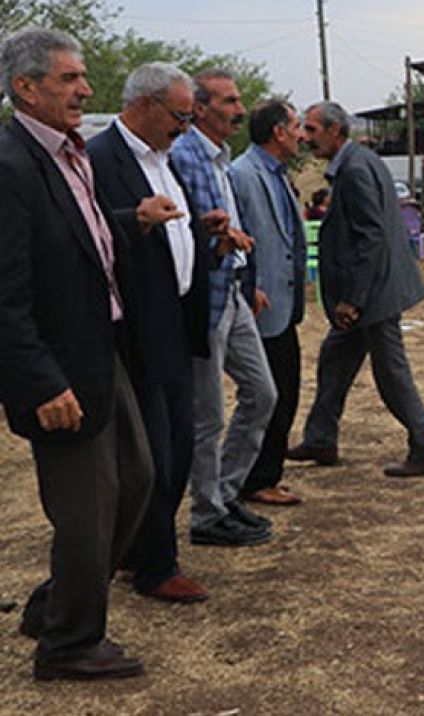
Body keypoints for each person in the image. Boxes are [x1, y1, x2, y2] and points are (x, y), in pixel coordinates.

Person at [0, 27, 154, 681]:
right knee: (86, 512)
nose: (85, 89)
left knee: (139, 478)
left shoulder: (69, 153)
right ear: (25, 88)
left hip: (99, 349)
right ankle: (68, 645)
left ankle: (56, 604)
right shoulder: (9, 166)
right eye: (68, 79)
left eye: (82, 77)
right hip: (58, 372)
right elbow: (4, 292)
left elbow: (73, 241)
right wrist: (38, 381)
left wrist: (129, 219)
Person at [88, 62, 214, 604]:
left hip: (176, 324)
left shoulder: (166, 159)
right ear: (143, 105)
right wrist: (133, 218)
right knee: (154, 456)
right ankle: (155, 566)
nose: (185, 127)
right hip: (136, 331)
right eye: (180, 116)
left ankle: (140, 549)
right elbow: (83, 235)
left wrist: (203, 235)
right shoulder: (99, 160)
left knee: (179, 447)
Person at [286, 101, 424, 477]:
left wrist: (352, 300)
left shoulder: (355, 169)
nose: (305, 138)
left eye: (312, 130)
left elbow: (370, 238)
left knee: (391, 373)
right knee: (334, 359)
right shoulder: (359, 160)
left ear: (335, 132)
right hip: (375, 288)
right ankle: (321, 438)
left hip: (373, 293)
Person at [170, 69, 277, 546]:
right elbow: (184, 226)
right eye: (229, 101)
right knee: (208, 414)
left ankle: (225, 492)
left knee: (262, 393)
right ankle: (207, 515)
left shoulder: (219, 157)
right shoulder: (184, 155)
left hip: (232, 289)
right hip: (206, 298)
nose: (238, 110)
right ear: (199, 107)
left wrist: (243, 276)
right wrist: (217, 239)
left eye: (238, 101)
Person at [231, 100, 309, 506]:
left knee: (286, 390)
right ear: (278, 132)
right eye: (296, 126)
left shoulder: (276, 174)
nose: (302, 135)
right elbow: (237, 236)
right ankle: (253, 479)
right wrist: (249, 286)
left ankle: (263, 473)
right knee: (267, 394)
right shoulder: (244, 175)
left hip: (282, 305)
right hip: (260, 308)